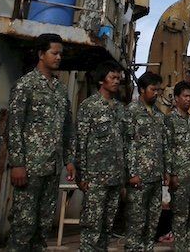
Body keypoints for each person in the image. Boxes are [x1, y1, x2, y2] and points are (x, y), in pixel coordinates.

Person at [7, 33, 74, 252]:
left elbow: (67, 128)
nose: (58, 58)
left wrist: (69, 160)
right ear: (40, 54)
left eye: (60, 54)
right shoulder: (26, 85)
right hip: (30, 168)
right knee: (23, 226)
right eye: (54, 53)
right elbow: (14, 126)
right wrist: (17, 163)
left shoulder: (60, 90)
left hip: (52, 169)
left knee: (43, 227)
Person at [71, 61, 128, 252]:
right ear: (101, 80)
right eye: (113, 77)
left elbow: (124, 144)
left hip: (114, 179)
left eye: (118, 78)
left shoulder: (120, 109)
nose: (116, 81)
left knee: (106, 229)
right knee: (91, 229)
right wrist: (82, 175)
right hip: (95, 179)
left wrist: (122, 179)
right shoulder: (89, 106)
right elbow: (81, 141)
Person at [125, 71, 169, 252]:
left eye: (158, 90)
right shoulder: (132, 112)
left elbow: (163, 144)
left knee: (152, 223)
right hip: (139, 178)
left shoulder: (159, 115)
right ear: (142, 90)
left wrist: (166, 171)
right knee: (136, 223)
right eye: (153, 89)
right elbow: (126, 144)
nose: (156, 93)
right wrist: (131, 173)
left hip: (155, 177)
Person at [166, 80, 190, 252]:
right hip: (179, 176)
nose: (188, 100)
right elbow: (167, 149)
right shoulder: (169, 121)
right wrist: (170, 174)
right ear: (177, 98)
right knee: (180, 217)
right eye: (185, 96)